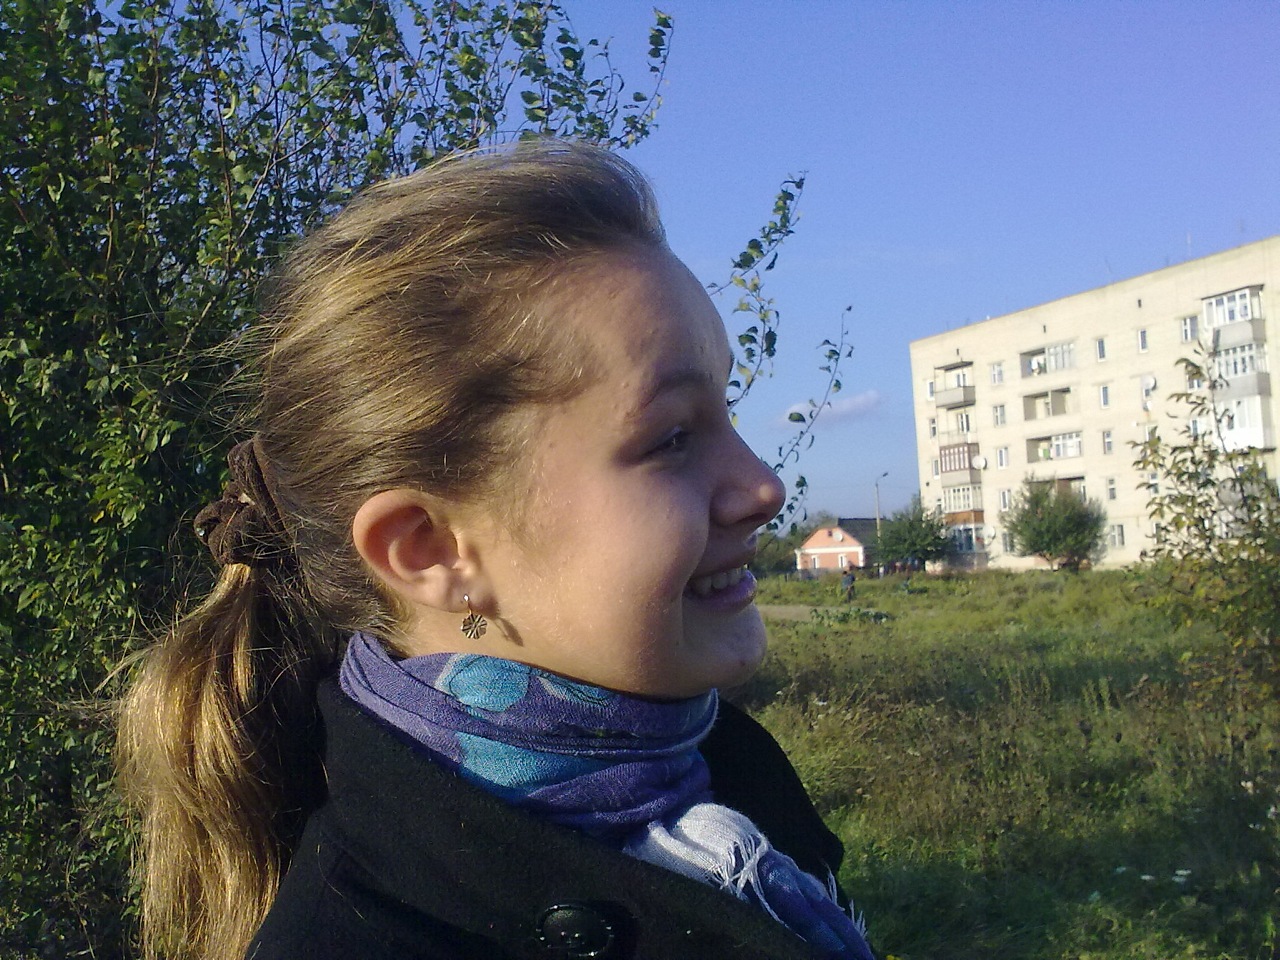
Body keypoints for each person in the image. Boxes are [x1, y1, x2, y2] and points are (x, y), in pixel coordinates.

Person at [117, 140, 876, 960]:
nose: (764, 486)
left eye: (726, 409)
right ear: (431, 551)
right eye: (673, 438)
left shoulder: (723, 775)